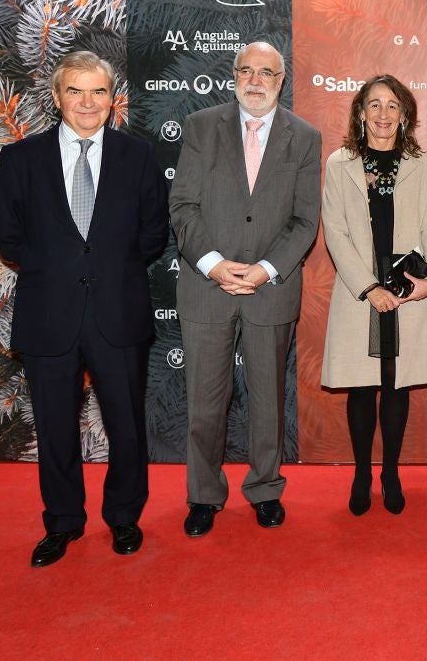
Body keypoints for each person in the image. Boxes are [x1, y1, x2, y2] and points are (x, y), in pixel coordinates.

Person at [0, 50, 169, 567]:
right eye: (76, 91)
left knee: (127, 423)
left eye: (98, 91)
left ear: (113, 99)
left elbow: (154, 231)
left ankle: (124, 517)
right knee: (53, 424)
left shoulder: (138, 156)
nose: (87, 102)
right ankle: (63, 521)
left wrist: (112, 268)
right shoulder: (21, 159)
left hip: (119, 311)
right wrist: (55, 268)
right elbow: (5, 232)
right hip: (49, 313)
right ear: (57, 96)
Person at [170, 41, 321, 537]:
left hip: (270, 288)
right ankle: (204, 495)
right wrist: (214, 266)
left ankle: (265, 489)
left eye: (267, 73)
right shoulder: (200, 128)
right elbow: (184, 207)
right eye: (246, 71)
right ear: (233, 74)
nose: (255, 81)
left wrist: (265, 269)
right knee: (205, 402)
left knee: (267, 399)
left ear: (282, 81)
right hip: (205, 286)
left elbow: (304, 219)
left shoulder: (304, 137)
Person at [321, 75, 427, 516]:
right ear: (360, 113)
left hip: (406, 290)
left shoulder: (419, 161)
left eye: (392, 105)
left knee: (397, 386)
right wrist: (369, 287)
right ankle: (361, 472)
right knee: (362, 387)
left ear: (405, 114)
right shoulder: (340, 163)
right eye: (373, 105)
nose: (382, 114)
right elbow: (334, 231)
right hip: (361, 293)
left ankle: (390, 471)